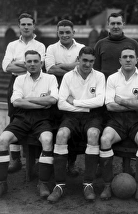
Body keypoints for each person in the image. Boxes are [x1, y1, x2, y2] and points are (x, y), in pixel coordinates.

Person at [0, 50, 58, 200]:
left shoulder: (50, 78)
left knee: (47, 140)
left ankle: (43, 182)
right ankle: (1, 183)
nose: (32, 64)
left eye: (36, 61)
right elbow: (16, 102)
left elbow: (53, 99)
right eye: (29, 61)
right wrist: (40, 103)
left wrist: (28, 100)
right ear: (25, 63)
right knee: (2, 140)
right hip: (22, 118)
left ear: (41, 63)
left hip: (43, 119)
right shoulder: (19, 79)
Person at [47, 47, 105, 203]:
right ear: (78, 59)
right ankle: (59, 185)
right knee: (61, 135)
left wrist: (76, 102)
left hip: (93, 116)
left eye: (91, 61)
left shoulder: (99, 76)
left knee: (93, 134)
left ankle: (88, 184)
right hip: (71, 116)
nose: (87, 64)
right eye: (85, 60)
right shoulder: (67, 76)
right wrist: (86, 105)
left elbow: (100, 102)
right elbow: (61, 104)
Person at [99, 46, 138, 202]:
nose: (128, 59)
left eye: (131, 57)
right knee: (105, 139)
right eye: (125, 57)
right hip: (117, 120)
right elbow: (109, 105)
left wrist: (120, 100)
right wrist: (132, 103)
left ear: (136, 60)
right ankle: (107, 184)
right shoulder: (113, 78)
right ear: (120, 60)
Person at [2, 13, 46, 173]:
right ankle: (15, 159)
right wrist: (27, 65)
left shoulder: (40, 46)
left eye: (29, 24)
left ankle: (33, 157)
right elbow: (6, 67)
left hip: (35, 82)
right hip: (16, 83)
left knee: (36, 117)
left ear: (34, 26)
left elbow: (41, 65)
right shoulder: (12, 45)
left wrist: (18, 63)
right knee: (14, 118)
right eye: (23, 24)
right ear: (19, 26)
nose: (26, 27)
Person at [45, 19, 85, 176]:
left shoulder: (81, 48)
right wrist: (74, 66)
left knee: (72, 129)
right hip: (55, 90)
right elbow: (49, 69)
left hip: (75, 92)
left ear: (73, 32)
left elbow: (83, 68)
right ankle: (53, 163)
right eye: (61, 32)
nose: (64, 35)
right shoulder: (51, 48)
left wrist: (60, 65)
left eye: (67, 32)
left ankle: (71, 163)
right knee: (55, 127)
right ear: (57, 33)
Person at [93, 12, 138, 78]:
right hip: (105, 85)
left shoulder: (133, 44)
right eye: (113, 23)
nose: (115, 27)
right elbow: (95, 70)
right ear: (108, 25)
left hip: (128, 85)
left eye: (118, 23)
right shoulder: (100, 44)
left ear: (123, 25)